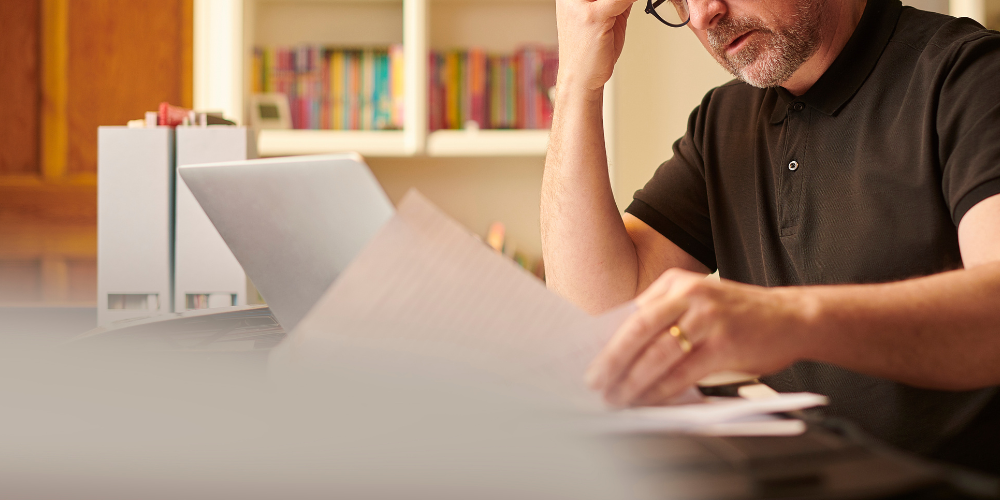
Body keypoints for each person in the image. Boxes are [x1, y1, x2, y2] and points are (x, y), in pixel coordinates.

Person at [540, 0, 1000, 467]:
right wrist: (579, 81)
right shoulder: (723, 120)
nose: (701, 15)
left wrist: (787, 321)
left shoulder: (971, 75)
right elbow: (595, 316)